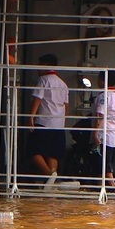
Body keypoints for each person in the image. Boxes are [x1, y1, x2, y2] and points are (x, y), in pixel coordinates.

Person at [28, 53, 69, 190]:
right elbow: (66, 106)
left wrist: (31, 116)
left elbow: (37, 99)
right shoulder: (63, 84)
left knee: (33, 151)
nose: (38, 68)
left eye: (40, 65)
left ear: (45, 65)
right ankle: (52, 182)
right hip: (58, 124)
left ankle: (50, 176)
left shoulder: (43, 80)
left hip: (44, 121)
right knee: (53, 153)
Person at [92, 69, 115, 188]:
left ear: (102, 81)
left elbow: (101, 115)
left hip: (103, 133)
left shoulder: (104, 96)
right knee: (103, 164)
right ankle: (101, 188)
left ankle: (113, 187)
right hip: (112, 133)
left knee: (105, 164)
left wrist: (95, 133)